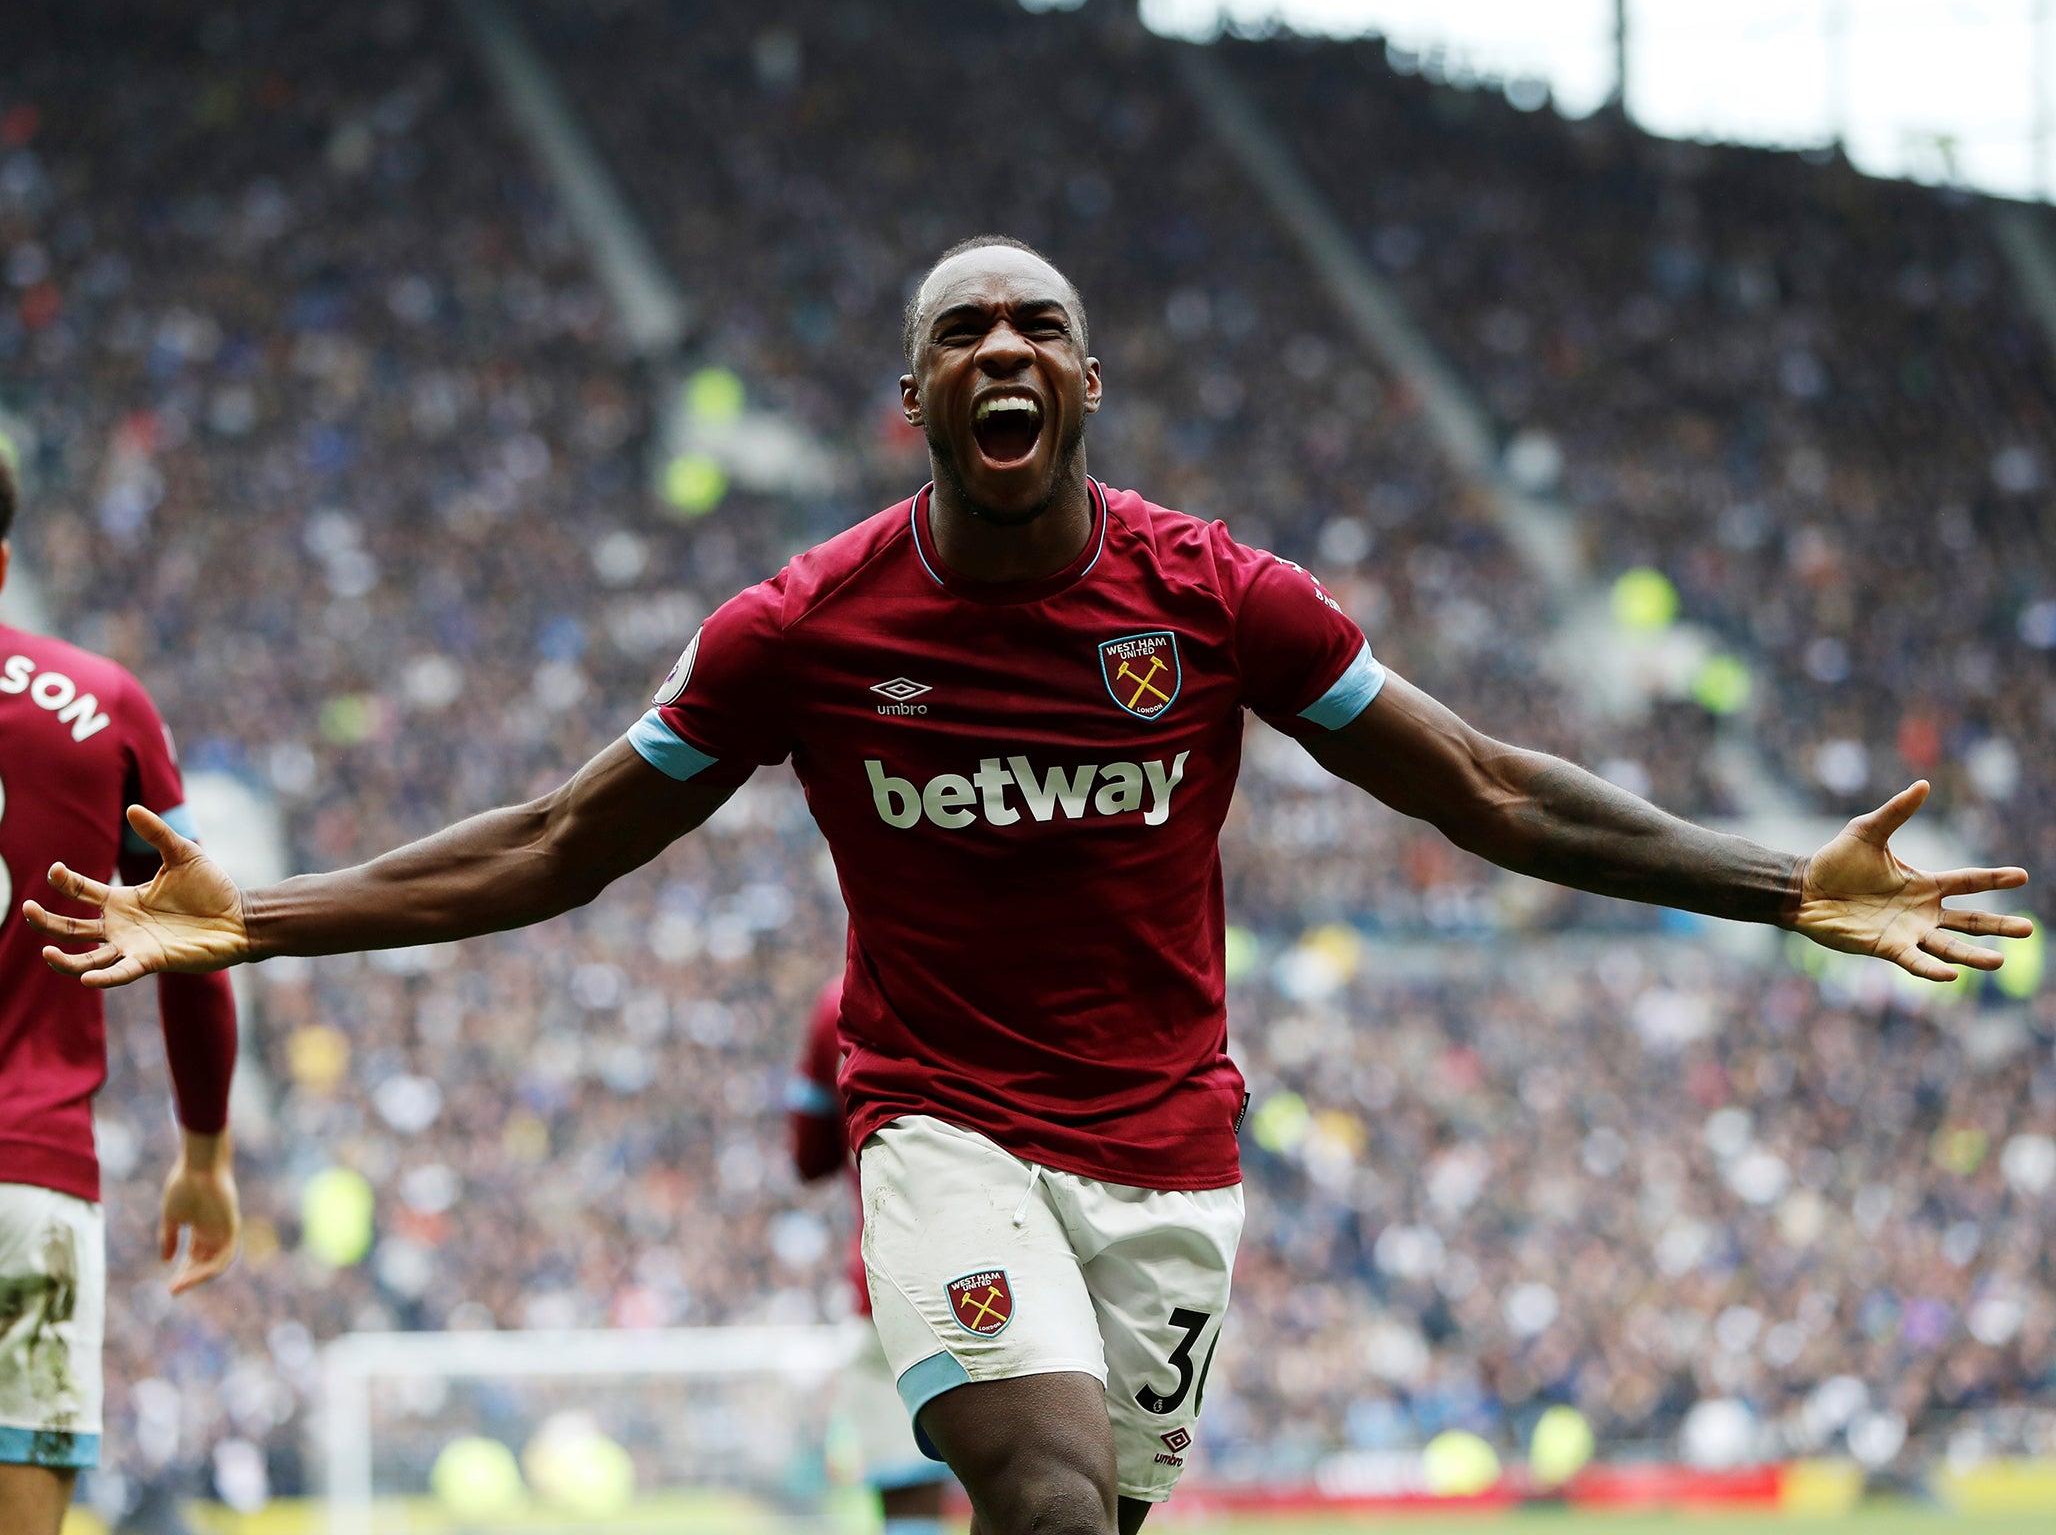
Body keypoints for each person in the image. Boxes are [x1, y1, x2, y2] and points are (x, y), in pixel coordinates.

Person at [23, 237, 2031, 1535]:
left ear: (1081, 388)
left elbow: (1490, 788)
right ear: (917, 406)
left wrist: (1784, 885)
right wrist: (255, 916)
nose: (1001, 345)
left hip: (1172, 1154)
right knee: (1048, 1504)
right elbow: (559, 845)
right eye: (961, 331)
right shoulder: (797, 630)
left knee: (1079, 1522)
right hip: (941, 1133)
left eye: (1036, 326)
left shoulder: (1215, 601)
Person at [0, 454, 241, 1535]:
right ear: (4, 563)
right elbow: (192, 936)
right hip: (29, 1182)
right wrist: (204, 1154)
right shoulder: (102, 704)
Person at [788, 975, 955, 1535]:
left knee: (909, 1497)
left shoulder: (835, 1004)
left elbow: (808, 1159)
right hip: (1018, 1275)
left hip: (894, 1282)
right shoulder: (998, 977)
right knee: (1031, 1482)